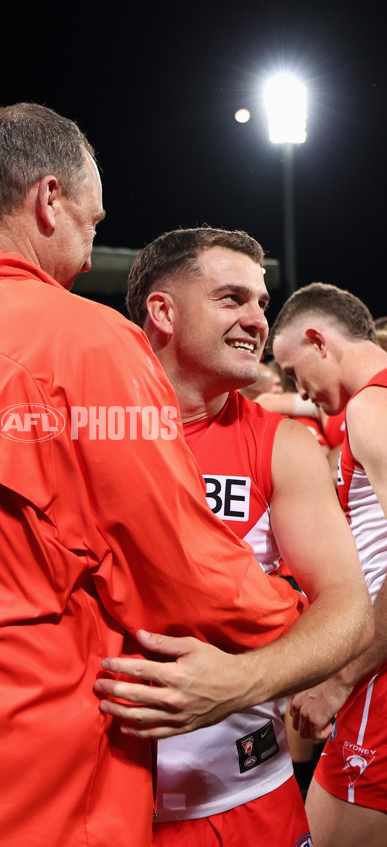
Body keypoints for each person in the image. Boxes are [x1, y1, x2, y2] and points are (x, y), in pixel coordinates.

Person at [0, 105, 307, 847]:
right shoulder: (84, 337)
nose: (86, 247)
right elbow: (179, 572)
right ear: (49, 201)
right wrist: (297, 619)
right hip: (16, 775)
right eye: (92, 223)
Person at [92, 229, 372, 846]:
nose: (257, 321)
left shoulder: (284, 446)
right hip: (87, 801)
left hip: (242, 802)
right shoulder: (77, 429)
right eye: (231, 299)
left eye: (261, 304)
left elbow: (347, 608)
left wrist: (237, 685)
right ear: (162, 311)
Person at [269, 282, 387, 847]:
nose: (300, 390)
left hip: (377, 678)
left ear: (319, 341)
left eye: (294, 372)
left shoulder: (373, 405)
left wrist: (339, 681)